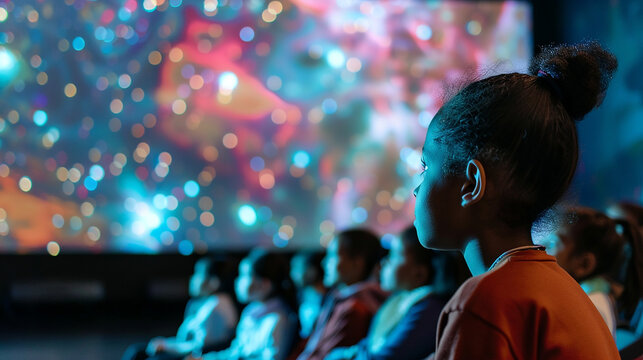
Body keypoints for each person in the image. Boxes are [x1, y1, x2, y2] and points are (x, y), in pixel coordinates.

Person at [413, 41, 621, 358]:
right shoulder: (564, 289)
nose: (417, 189)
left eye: (426, 167)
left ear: (471, 184)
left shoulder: (486, 301)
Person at [326, 226, 467, 360]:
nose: (384, 263)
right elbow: (368, 346)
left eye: (393, 256)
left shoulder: (428, 308)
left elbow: (385, 358)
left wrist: (343, 355)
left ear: (419, 273)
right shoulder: (398, 302)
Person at [296, 229, 388, 360]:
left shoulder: (354, 308)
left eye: (333, 255)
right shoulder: (340, 300)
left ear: (357, 263)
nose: (324, 263)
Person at [189, 249, 298, 360]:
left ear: (264, 284)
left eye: (244, 275)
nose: (237, 281)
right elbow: (234, 353)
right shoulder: (250, 311)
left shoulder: (278, 320)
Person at [122, 257, 238, 360]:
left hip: (197, 354)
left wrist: (168, 346)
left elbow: (203, 345)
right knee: (137, 351)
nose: (192, 279)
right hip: (188, 350)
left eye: (198, 274)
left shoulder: (216, 306)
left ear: (214, 282)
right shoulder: (205, 302)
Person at [553, 206, 636, 336]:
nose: (540, 248)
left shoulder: (586, 309)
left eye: (553, 243)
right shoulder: (593, 298)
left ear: (584, 264)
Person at [290, 251, 327, 339]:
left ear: (312, 271)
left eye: (297, 268)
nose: (293, 274)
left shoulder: (328, 299)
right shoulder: (301, 297)